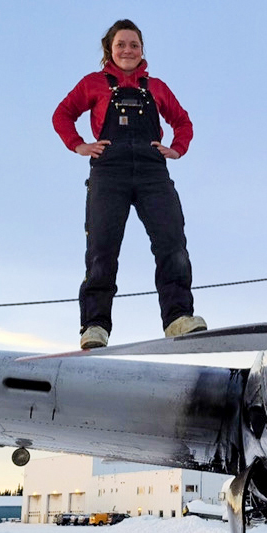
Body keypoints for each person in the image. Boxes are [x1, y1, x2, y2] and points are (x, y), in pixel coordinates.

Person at [53, 19, 206, 349]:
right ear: (110, 48)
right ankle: (95, 326)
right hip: (109, 171)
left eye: (134, 44)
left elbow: (182, 121)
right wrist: (78, 144)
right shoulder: (93, 83)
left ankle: (178, 318)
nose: (127, 50)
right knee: (101, 250)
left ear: (141, 50)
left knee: (172, 243)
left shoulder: (157, 88)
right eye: (121, 44)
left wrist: (177, 148)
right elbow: (62, 114)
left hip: (153, 172)